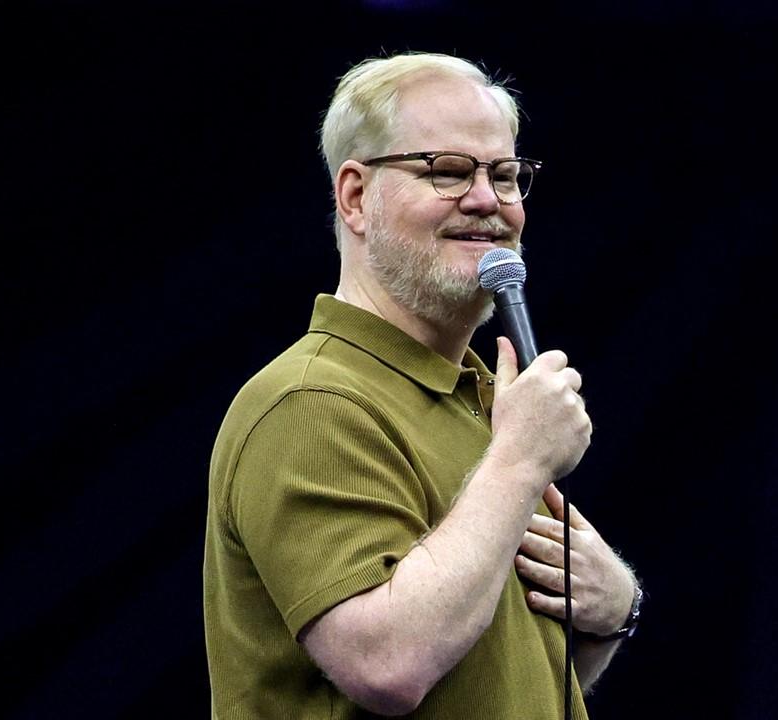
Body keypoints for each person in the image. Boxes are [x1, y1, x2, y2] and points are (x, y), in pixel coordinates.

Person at [203, 51, 641, 718]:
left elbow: (500, 685)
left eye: (506, 174)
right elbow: (388, 665)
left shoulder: (488, 403)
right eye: (448, 171)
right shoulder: (311, 401)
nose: (488, 200)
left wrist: (610, 615)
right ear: (355, 197)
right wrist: (519, 463)